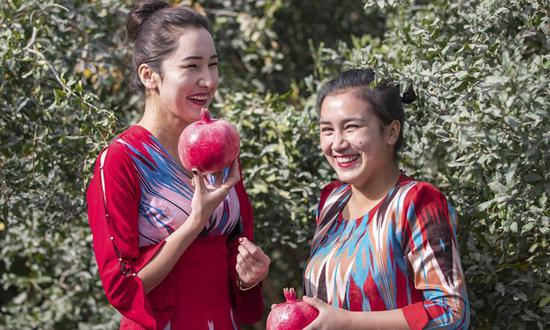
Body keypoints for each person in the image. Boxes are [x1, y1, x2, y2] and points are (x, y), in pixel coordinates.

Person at [85, 1, 270, 329]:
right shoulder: (120, 161)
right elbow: (123, 288)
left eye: (213, 65)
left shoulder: (220, 148)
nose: (209, 81)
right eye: (192, 66)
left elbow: (235, 250)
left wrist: (249, 275)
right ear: (150, 76)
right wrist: (195, 220)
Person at [301, 68, 470, 329]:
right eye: (327, 130)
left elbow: (451, 313)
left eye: (351, 127)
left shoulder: (416, 203)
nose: (337, 144)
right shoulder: (331, 202)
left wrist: (348, 322)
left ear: (391, 132)